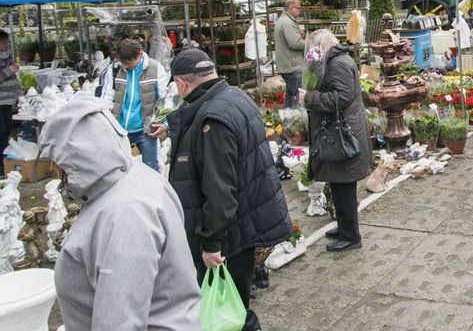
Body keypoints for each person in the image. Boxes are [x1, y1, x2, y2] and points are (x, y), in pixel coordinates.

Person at [38, 95, 201, 331]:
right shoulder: (135, 176)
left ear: (77, 155)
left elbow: (120, 319)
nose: (53, 171)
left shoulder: (126, 213)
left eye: (56, 161)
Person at [165, 49, 292, 330]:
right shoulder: (233, 96)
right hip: (245, 220)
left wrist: (211, 243)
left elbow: (219, 187)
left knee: (229, 309)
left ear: (183, 83)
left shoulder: (213, 119)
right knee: (235, 303)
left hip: (230, 234)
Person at [298, 29, 372, 252]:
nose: (311, 52)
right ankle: (344, 226)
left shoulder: (338, 63)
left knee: (344, 185)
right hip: (340, 130)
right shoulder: (335, 60)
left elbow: (341, 97)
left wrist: (309, 98)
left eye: (313, 48)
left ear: (322, 46)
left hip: (344, 132)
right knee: (338, 183)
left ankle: (351, 236)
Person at [101, 38, 168, 172]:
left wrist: (164, 124)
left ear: (140, 55)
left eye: (128, 62)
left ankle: (152, 193)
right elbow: (107, 97)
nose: (125, 66)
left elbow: (163, 99)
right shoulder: (114, 70)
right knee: (117, 169)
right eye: (122, 62)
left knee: (152, 168)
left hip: (145, 130)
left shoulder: (155, 69)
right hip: (118, 130)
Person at [274, 0, 305, 107]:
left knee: (290, 94)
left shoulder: (284, 20)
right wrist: (310, 44)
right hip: (292, 66)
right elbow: (295, 43)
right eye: (298, 8)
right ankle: (297, 121)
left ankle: (286, 121)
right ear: (292, 8)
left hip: (288, 65)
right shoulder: (287, 23)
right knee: (298, 97)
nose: (300, 11)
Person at [0, 30, 20, 178]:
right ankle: (1, 166)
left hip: (7, 100)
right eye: (3, 42)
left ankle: (5, 163)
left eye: (7, 42)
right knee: (1, 133)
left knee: (7, 131)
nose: (6, 45)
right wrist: (8, 71)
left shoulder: (6, 56)